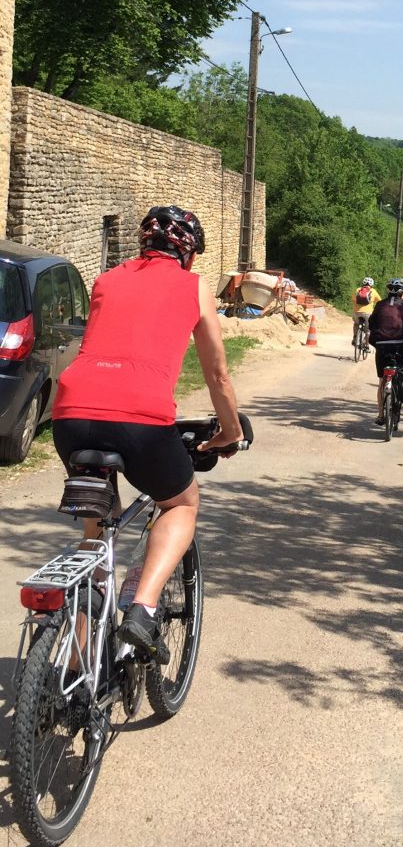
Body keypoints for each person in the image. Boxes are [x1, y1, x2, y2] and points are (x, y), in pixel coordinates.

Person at [52, 206, 244, 664]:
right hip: (140, 417)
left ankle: (73, 669)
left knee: (97, 531)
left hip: (71, 414)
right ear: (189, 254)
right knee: (180, 504)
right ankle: (143, 609)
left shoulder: (107, 279)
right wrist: (230, 430)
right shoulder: (193, 286)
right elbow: (217, 373)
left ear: (144, 243)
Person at [368, 278, 403, 423]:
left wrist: (378, 334)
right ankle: (398, 391)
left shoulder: (380, 305)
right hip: (400, 346)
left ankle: (381, 415)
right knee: (401, 368)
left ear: (388, 291)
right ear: (402, 292)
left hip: (382, 346)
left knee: (382, 380)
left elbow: (371, 323)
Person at [351, 276, 381, 346]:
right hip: (368, 313)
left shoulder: (358, 290)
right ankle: (366, 344)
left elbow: (353, 299)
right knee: (369, 330)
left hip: (356, 312)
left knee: (356, 323)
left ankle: (355, 338)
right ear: (372, 284)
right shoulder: (373, 291)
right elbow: (380, 302)